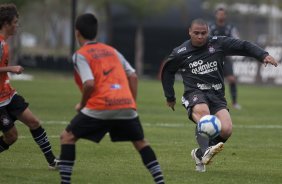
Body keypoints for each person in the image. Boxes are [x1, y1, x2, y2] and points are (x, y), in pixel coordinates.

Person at [58, 13, 165, 184]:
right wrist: (132, 103)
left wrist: (82, 104)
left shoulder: (81, 54)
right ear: (96, 32)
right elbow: (133, 76)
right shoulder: (112, 50)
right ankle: (160, 182)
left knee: (67, 137)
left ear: (77, 33)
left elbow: (89, 84)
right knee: (140, 142)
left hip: (100, 106)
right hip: (126, 105)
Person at [161, 18, 278, 172]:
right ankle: (206, 150)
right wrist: (170, 97)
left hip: (216, 95)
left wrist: (262, 55)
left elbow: (243, 45)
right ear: (190, 32)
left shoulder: (218, 43)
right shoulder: (180, 52)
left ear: (208, 32)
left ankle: (200, 153)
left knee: (227, 129)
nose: (200, 36)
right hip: (194, 93)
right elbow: (168, 71)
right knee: (204, 114)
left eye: (203, 33)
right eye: (196, 33)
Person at [0, 3, 57, 169]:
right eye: (15, 22)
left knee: (33, 122)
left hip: (8, 94)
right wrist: (11, 68)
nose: (17, 25)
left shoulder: (5, 43)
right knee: (11, 137)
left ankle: (52, 162)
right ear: (6, 23)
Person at [209, 7, 241, 109]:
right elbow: (206, 40)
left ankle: (235, 103)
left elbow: (237, 40)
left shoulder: (231, 28)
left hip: (226, 57)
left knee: (231, 79)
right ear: (216, 15)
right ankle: (210, 101)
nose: (221, 16)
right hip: (213, 57)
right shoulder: (211, 27)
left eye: (223, 14)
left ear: (226, 16)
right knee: (211, 80)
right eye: (219, 14)